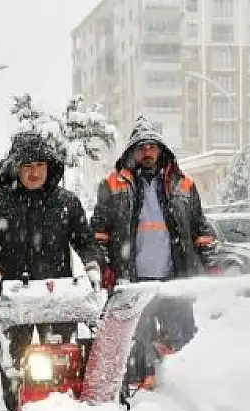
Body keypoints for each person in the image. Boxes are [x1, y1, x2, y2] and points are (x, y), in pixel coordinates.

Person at [0, 131, 103, 411]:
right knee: (16, 366)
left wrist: (92, 264)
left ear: (50, 167)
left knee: (61, 362)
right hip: (14, 297)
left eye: (40, 165)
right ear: (15, 168)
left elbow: (85, 241)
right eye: (26, 166)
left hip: (57, 296)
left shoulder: (66, 203)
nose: (34, 172)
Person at [90, 115, 217, 388]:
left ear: (161, 150)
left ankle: (178, 386)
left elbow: (200, 227)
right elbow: (98, 232)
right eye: (141, 147)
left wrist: (211, 261)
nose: (147, 152)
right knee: (134, 345)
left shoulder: (183, 185)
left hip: (173, 278)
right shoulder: (112, 185)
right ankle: (141, 396)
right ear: (132, 151)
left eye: (152, 146)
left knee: (182, 339)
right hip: (132, 281)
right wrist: (103, 266)